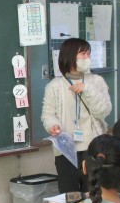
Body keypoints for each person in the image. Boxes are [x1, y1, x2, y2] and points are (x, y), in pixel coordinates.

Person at [41, 38, 112, 193]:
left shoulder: (97, 81)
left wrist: (87, 89)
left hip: (93, 148)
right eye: (83, 54)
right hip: (66, 150)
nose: (87, 57)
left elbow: (104, 111)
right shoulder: (55, 85)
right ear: (70, 56)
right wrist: (53, 125)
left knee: (93, 193)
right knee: (70, 196)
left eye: (88, 54)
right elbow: (48, 114)